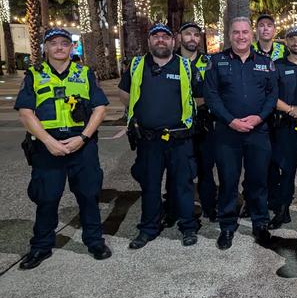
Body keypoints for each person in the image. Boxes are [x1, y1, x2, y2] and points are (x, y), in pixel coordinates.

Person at [15, 28, 112, 269]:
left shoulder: (85, 74)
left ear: (71, 48)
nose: (59, 47)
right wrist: (48, 141)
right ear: (45, 48)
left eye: (64, 43)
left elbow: (100, 109)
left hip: (82, 143)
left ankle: (94, 241)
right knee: (47, 198)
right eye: (53, 43)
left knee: (89, 195)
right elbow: (26, 113)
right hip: (47, 146)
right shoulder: (34, 75)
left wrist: (83, 137)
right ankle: (41, 246)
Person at [119, 23, 201, 249]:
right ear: (149, 42)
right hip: (148, 140)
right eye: (156, 37)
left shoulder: (185, 66)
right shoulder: (136, 65)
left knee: (183, 185)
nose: (161, 41)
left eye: (165, 37)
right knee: (150, 186)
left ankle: (188, 227)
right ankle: (148, 228)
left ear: (173, 42)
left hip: (179, 139)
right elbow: (124, 93)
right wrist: (143, 114)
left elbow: (200, 96)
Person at [204, 17, 278, 250]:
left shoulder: (266, 63)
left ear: (252, 35)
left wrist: (259, 117)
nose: (241, 36)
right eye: (236, 32)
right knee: (228, 180)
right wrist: (231, 121)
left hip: (258, 131)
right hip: (227, 133)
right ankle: (227, 225)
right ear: (229, 35)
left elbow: (272, 94)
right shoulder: (216, 61)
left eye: (245, 32)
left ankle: (260, 223)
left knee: (258, 180)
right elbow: (211, 96)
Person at [162, 21, 217, 225]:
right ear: (179, 37)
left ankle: (209, 207)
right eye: (188, 34)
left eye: (196, 34)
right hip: (176, 125)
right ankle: (172, 209)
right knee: (175, 169)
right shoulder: (170, 60)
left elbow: (213, 92)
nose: (192, 38)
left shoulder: (208, 62)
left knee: (205, 168)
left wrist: (191, 102)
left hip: (203, 123)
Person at [268, 26, 297, 229]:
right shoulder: (276, 65)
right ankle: (283, 209)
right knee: (286, 169)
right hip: (285, 124)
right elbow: (271, 95)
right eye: (292, 38)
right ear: (286, 41)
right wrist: (291, 110)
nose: (296, 42)